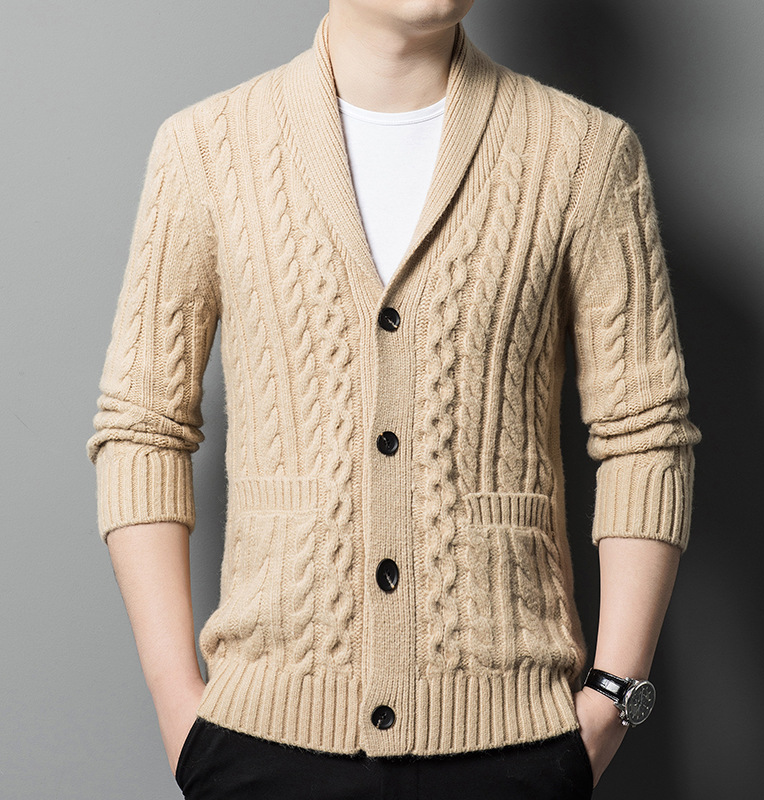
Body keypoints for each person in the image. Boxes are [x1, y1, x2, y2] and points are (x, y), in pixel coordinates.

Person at [85, 1, 702, 798]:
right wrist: (178, 702)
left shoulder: (583, 152)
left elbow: (645, 432)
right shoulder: (207, 149)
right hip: (263, 744)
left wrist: (612, 699)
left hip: (514, 742)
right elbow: (142, 427)